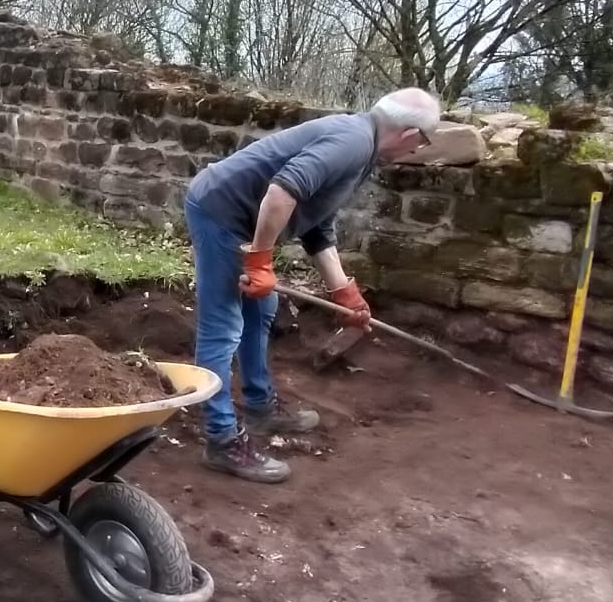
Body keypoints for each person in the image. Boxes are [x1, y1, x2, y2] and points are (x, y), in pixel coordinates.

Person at [184, 87, 443, 483]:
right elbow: (281, 193)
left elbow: (317, 224)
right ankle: (221, 440)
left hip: (241, 219)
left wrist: (343, 292)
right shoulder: (353, 142)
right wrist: (259, 261)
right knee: (223, 326)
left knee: (262, 307)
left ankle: (259, 407)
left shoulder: (363, 149)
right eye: (421, 143)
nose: (415, 151)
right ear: (410, 134)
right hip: (220, 212)